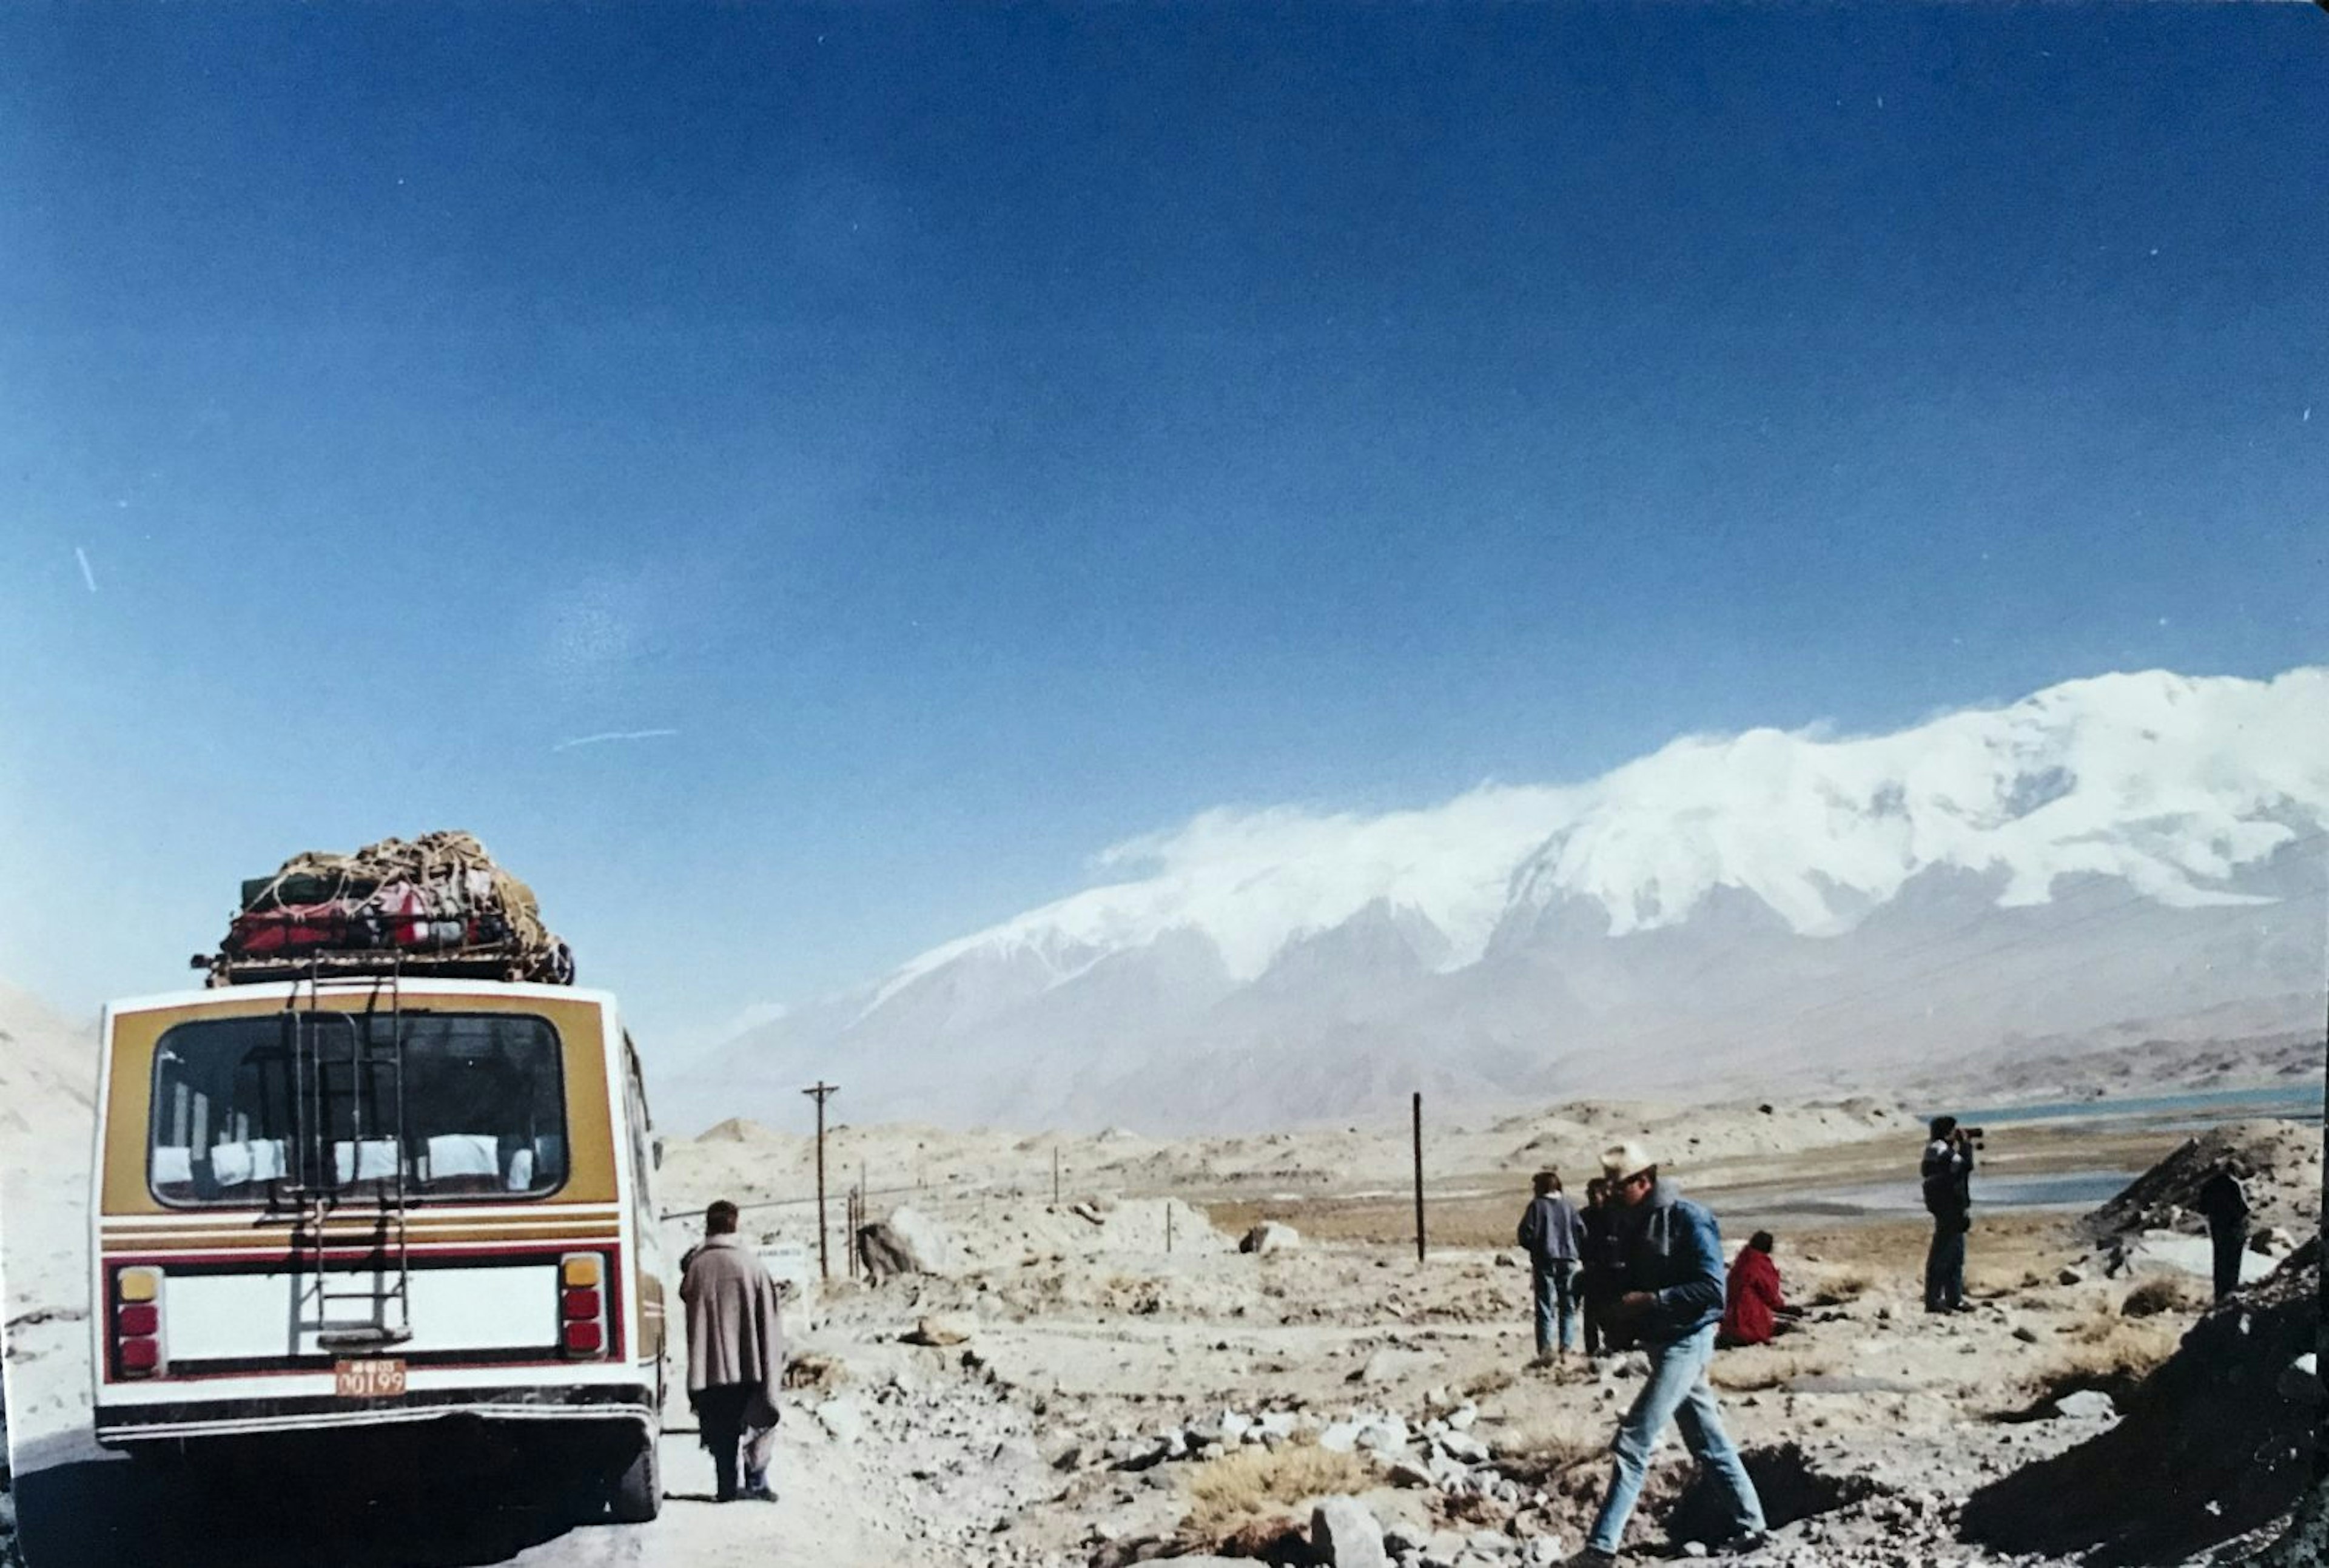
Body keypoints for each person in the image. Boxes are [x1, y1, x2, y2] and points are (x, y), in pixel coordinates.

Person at [1563, 1143, 1766, 1566]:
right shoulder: (1629, 1222)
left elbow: (1714, 1290)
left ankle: (1602, 1547)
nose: (1613, 1195)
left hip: (1688, 1339)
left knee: (1635, 1437)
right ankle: (1753, 1525)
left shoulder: (1689, 1218)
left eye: (1619, 1187)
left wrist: (1652, 1300)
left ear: (1644, 1180)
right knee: (1707, 1440)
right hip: (1661, 1342)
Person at [679, 1199, 786, 1502]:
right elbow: (771, 1315)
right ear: (735, 1224)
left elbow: (686, 1296)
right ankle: (756, 1482)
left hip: (709, 1365)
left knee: (720, 1426)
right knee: (757, 1417)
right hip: (749, 1363)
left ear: (708, 1225)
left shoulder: (697, 1266)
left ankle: (726, 1486)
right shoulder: (751, 1264)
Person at [1516, 1169, 1585, 1367]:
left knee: (1546, 1305)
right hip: (1568, 1258)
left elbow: (1525, 1234)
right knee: (1568, 1304)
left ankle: (1546, 1350)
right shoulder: (1569, 1206)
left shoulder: (1537, 1207)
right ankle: (1566, 1346)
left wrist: (1536, 1248)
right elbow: (1581, 1231)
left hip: (1545, 1259)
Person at [1920, 1115, 1975, 1314]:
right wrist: (1966, 1145)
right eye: (1953, 1131)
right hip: (1948, 1208)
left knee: (1955, 1255)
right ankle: (1934, 1301)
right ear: (1946, 1132)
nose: (1956, 1134)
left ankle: (1954, 1298)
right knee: (1943, 1255)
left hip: (1952, 1207)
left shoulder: (1937, 1149)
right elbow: (1964, 1166)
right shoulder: (1939, 1149)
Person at [1718, 1230, 1799, 1348]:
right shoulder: (1759, 1265)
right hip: (1749, 1323)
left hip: (1729, 1322)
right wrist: (1783, 1307)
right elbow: (1770, 1295)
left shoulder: (1742, 1262)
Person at [2196, 1159, 2252, 1302]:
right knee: (2233, 1263)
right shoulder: (2234, 1184)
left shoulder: (2210, 1184)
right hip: (2234, 1229)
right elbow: (2244, 1209)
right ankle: (2229, 1295)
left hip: (2217, 1229)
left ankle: (2219, 1296)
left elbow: (2202, 1208)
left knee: (2219, 1262)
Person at [1579, 1176, 1622, 1358]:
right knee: (1590, 1312)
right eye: (1590, 1194)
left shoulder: (1616, 1214)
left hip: (1614, 1268)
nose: (1593, 1197)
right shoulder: (1584, 1216)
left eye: (1596, 1193)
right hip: (1592, 1268)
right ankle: (1592, 1348)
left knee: (1613, 1310)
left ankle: (1614, 1344)